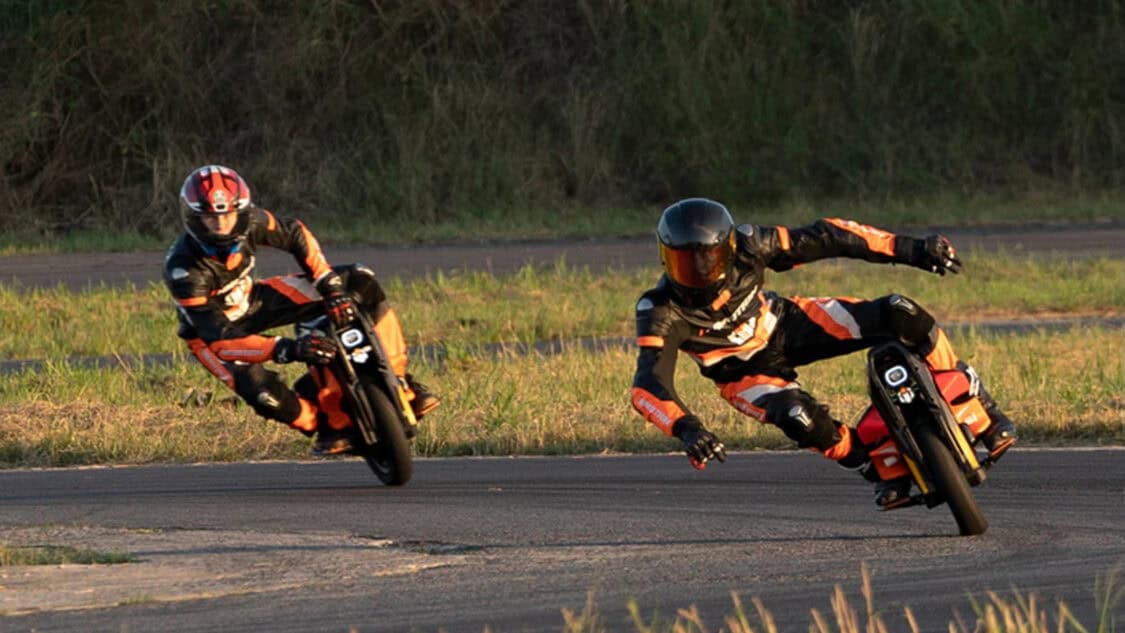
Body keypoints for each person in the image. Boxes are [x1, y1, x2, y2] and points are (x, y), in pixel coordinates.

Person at [630, 198, 1016, 506]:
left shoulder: (752, 243)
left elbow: (829, 236)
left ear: (729, 248)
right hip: (742, 374)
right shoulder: (658, 309)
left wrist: (911, 249)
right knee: (799, 418)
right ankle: (876, 469)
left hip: (785, 324)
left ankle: (976, 398)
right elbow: (648, 386)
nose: (697, 270)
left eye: (707, 257)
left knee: (901, 312)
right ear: (665, 257)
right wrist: (687, 429)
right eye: (683, 261)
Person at [163, 164, 439, 455]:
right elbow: (220, 339)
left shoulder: (254, 221)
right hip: (213, 336)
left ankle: (399, 379)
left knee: (360, 281)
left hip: (252, 300)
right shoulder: (183, 271)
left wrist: (328, 284)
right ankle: (329, 426)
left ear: (242, 211)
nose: (221, 226)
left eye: (228, 215)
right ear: (193, 219)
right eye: (210, 218)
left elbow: (296, 234)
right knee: (265, 397)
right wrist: (287, 348)